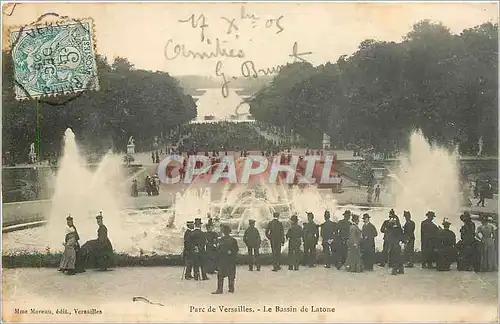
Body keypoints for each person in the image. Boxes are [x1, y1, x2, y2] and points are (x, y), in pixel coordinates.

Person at [212, 225, 239, 294]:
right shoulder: (233, 240)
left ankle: (220, 289)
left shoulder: (221, 240)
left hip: (222, 260)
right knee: (231, 275)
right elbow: (236, 250)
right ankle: (231, 288)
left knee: (220, 275)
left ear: (223, 232)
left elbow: (217, 251)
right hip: (230, 260)